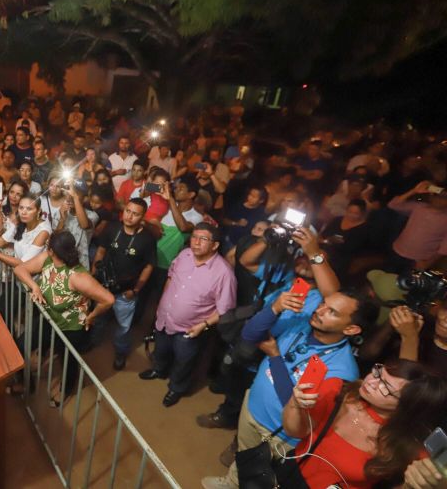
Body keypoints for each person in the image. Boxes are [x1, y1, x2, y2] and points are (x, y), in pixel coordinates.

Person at [200, 289, 375, 489]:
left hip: (279, 434)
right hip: (252, 408)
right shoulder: (301, 324)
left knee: (261, 477)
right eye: (323, 304)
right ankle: (231, 483)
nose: (319, 311)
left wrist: (275, 356)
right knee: (245, 456)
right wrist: (274, 308)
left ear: (351, 329)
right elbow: (250, 334)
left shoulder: (341, 370)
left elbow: (291, 405)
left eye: (332, 312)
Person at [283, 360, 447, 488]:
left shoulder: (406, 444)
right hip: (288, 476)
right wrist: (296, 403)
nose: (371, 382)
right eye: (378, 373)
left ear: (405, 407)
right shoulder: (339, 391)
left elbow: (430, 479)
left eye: (385, 388)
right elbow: (294, 431)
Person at [139, 223, 236, 407]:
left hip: (190, 329)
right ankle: (158, 370)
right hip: (165, 317)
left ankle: (176, 388)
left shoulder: (224, 274)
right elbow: (170, 277)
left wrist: (203, 325)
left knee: (184, 361)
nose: (196, 242)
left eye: (203, 239)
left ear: (215, 245)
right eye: (194, 237)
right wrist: (162, 304)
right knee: (161, 349)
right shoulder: (184, 255)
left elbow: (225, 310)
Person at [14, 231, 114, 403]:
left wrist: (91, 316)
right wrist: (34, 287)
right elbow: (20, 269)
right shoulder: (47, 258)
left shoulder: (78, 277)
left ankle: (66, 389)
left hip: (70, 327)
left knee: (67, 360)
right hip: (48, 318)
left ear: (52, 250)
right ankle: (25, 383)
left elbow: (108, 299)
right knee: (21, 346)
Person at [91, 198, 156, 370]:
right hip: (104, 286)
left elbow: (149, 266)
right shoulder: (112, 227)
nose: (129, 216)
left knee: (123, 326)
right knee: (99, 317)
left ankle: (120, 352)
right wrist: (94, 274)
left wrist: (136, 290)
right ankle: (93, 342)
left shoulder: (147, 238)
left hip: (126, 291)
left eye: (135, 214)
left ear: (142, 217)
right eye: (128, 211)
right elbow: (101, 250)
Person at [0, 192, 51, 267]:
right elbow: (3, 240)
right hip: (19, 278)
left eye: (29, 209)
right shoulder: (21, 222)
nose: (23, 212)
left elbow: (23, 263)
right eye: (21, 208)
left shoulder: (43, 231)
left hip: (34, 280)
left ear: (38, 211)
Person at [387, 181, 447, 273]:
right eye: (436, 195)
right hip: (397, 250)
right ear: (431, 195)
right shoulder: (419, 207)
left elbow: (444, 247)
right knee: (386, 277)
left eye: (444, 197)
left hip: (418, 260)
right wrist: (414, 191)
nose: (439, 199)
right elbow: (393, 204)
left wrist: (428, 263)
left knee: (404, 285)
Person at [55, 182, 98, 269]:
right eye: (69, 192)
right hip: (61, 262)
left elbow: (84, 225)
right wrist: (62, 219)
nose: (70, 196)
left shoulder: (92, 215)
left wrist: (75, 197)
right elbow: (55, 237)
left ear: (85, 198)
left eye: (76, 193)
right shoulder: (60, 212)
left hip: (80, 264)